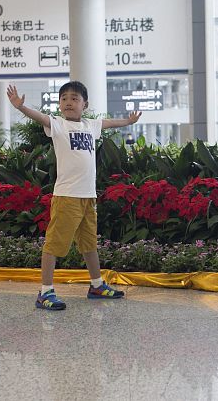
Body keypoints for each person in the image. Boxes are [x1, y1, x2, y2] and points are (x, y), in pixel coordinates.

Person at [7, 81, 141, 310]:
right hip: (66, 196)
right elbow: (40, 117)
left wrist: (128, 121)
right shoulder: (58, 125)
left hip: (88, 197)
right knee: (54, 245)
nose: (69, 102)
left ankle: (97, 285)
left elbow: (108, 123)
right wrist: (20, 108)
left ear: (85, 104)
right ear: (59, 105)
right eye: (64, 99)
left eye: (74, 99)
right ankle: (45, 292)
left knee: (89, 244)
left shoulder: (90, 126)